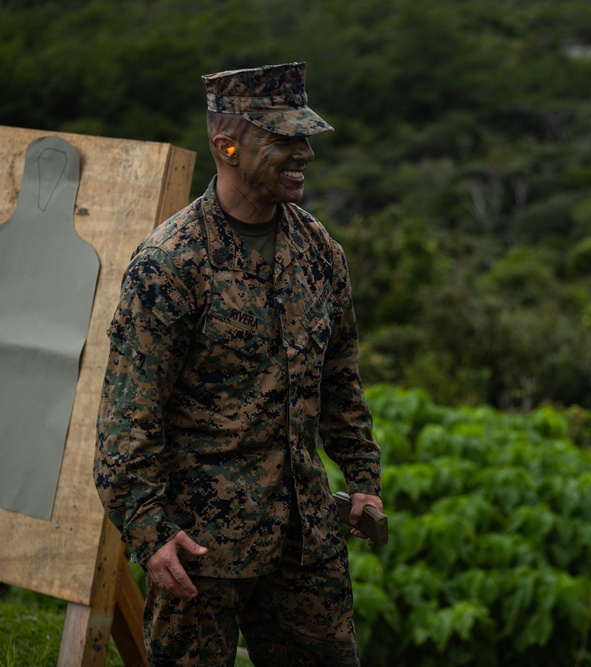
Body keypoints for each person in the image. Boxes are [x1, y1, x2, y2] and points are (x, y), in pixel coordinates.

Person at [94, 62, 382, 667]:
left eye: (304, 137)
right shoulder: (171, 264)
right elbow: (128, 418)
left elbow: (340, 379)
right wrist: (149, 533)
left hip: (304, 540)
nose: (303, 152)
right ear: (227, 145)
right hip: (199, 550)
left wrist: (361, 479)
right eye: (283, 139)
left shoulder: (317, 251)